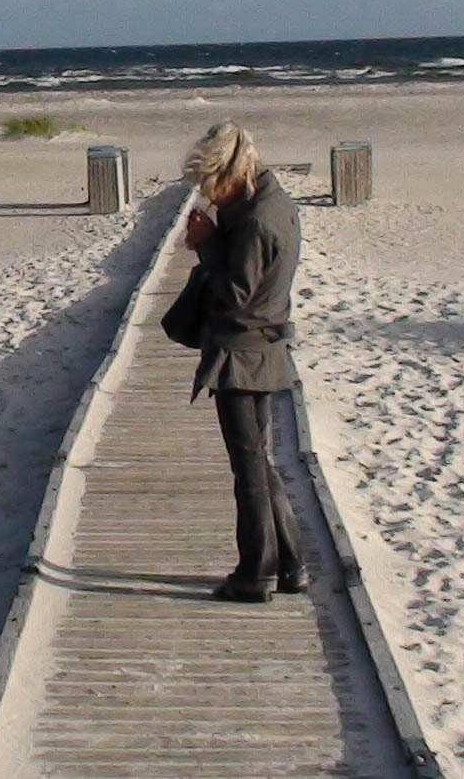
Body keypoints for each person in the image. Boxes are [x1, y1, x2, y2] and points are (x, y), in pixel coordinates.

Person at [183, 119, 308, 604]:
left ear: (229, 172)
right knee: (258, 459)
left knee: (249, 469)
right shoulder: (276, 204)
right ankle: (291, 565)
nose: (208, 194)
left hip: (244, 353)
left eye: (210, 182)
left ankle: (256, 573)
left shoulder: (256, 221)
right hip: (264, 348)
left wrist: (207, 244)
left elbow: (236, 296)